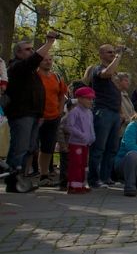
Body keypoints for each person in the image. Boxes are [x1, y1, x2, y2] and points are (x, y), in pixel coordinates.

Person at [4, 32, 58, 193]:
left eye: (31, 49)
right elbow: (33, 60)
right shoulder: (16, 67)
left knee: (29, 148)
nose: (31, 51)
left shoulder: (32, 73)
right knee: (19, 147)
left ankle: (22, 179)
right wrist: (49, 42)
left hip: (34, 115)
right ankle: (12, 181)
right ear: (18, 53)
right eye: (27, 49)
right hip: (21, 114)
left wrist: (40, 115)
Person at [87, 44, 123, 188]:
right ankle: (94, 179)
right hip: (103, 112)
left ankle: (106, 177)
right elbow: (106, 73)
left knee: (112, 147)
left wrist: (120, 112)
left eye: (114, 52)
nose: (112, 54)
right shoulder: (97, 69)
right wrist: (118, 56)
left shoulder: (114, 72)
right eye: (109, 52)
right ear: (101, 54)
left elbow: (117, 92)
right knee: (99, 148)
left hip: (114, 113)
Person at [37, 54, 68, 187]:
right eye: (45, 59)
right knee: (31, 146)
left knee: (48, 147)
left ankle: (44, 175)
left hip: (53, 116)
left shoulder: (56, 77)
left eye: (50, 60)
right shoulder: (34, 76)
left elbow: (62, 95)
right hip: (37, 117)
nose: (48, 62)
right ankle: (24, 174)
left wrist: (60, 111)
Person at [63, 87, 97, 194]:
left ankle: (82, 183)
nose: (91, 101)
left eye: (92, 99)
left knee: (84, 164)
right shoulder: (74, 112)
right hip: (76, 143)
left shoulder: (89, 113)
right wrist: (82, 135)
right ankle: (73, 185)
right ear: (80, 99)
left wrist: (92, 136)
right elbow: (69, 126)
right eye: (88, 99)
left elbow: (91, 126)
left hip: (86, 143)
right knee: (76, 163)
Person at [117, 73, 136, 139]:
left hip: (129, 130)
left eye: (128, 81)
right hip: (121, 131)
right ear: (118, 81)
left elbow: (132, 112)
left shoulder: (125, 95)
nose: (128, 83)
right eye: (126, 80)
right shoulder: (117, 95)